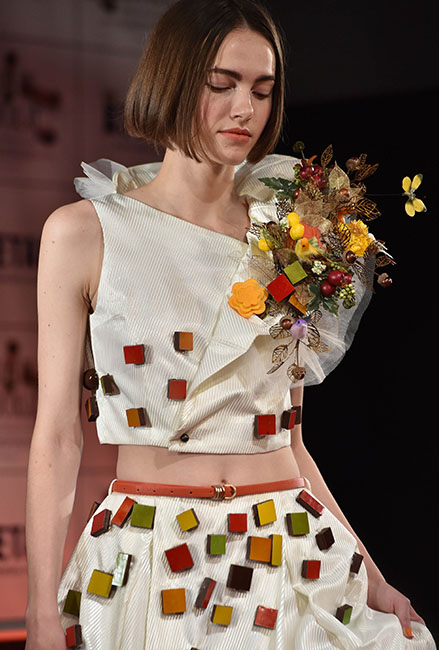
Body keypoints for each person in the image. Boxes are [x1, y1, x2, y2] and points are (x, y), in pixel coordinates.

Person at [24, 1, 436, 648]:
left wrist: (372, 576)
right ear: (171, 82)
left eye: (262, 91)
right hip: (152, 550)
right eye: (222, 84)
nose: (244, 108)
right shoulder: (85, 234)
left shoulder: (296, 234)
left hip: (290, 550)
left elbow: (289, 439)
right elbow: (55, 437)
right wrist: (40, 613)